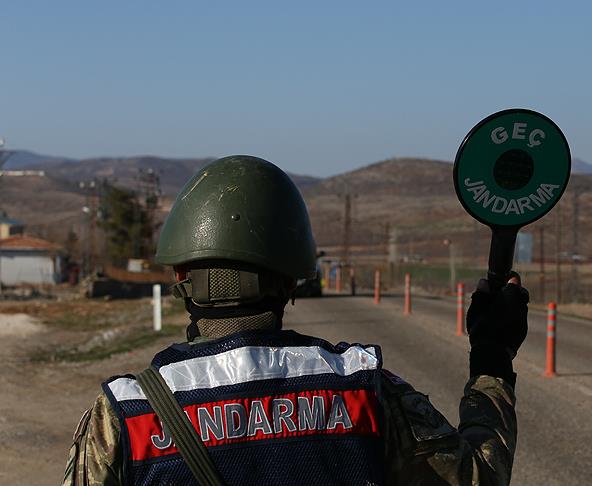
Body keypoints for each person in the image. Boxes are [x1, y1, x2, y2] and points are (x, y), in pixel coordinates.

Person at [63, 155, 529, 485]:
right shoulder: (363, 391)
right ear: (291, 280)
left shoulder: (126, 415)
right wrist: (492, 360)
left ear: (181, 275)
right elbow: (477, 477)